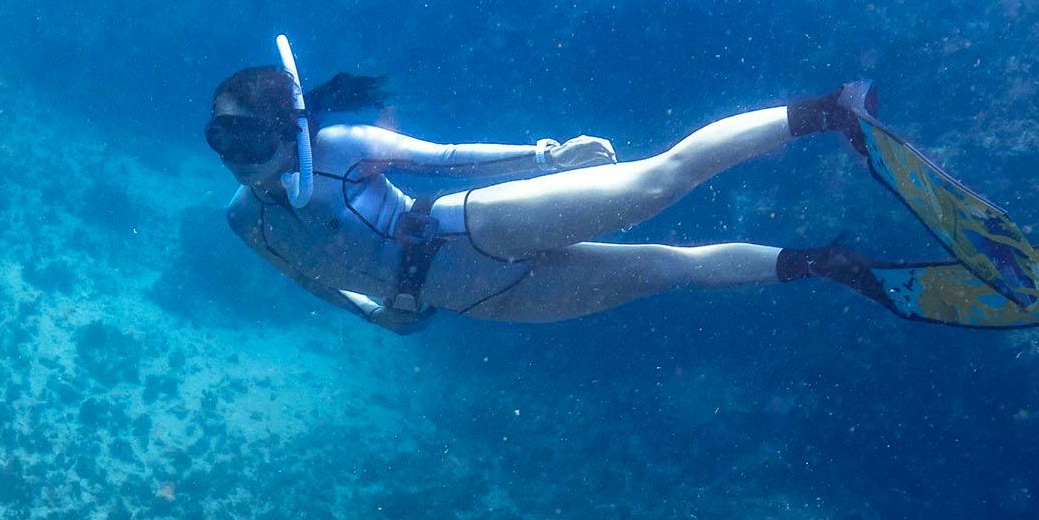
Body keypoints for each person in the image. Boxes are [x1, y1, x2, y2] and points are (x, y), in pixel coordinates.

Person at [206, 39, 884, 334]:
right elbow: (312, 280)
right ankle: (828, 263)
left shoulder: (340, 149)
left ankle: (832, 111)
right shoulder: (246, 220)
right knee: (669, 268)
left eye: (247, 138)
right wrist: (374, 314)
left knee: (658, 179)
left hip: (464, 229)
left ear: (283, 129)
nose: (236, 157)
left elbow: (447, 157)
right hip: (486, 299)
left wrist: (547, 154)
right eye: (220, 140)